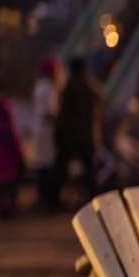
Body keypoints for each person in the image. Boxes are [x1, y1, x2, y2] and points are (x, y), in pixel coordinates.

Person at [53, 56, 102, 207]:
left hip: (72, 137)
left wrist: (59, 134)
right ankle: (94, 201)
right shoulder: (92, 87)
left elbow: (65, 115)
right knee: (89, 171)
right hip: (88, 136)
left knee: (60, 168)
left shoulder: (71, 87)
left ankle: (54, 200)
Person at [30, 56, 60, 209]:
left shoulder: (39, 86)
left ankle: (43, 198)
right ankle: (46, 199)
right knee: (47, 165)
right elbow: (50, 112)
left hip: (40, 129)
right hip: (46, 130)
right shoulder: (49, 88)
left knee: (41, 163)